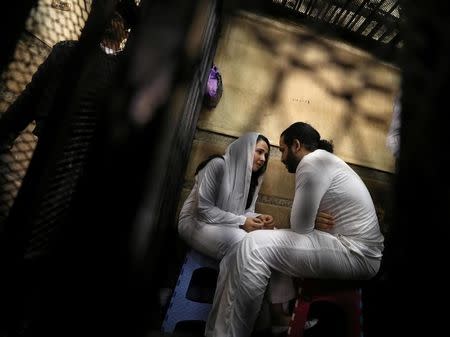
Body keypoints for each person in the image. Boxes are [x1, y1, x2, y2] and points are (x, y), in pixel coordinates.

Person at [205, 122, 384, 337]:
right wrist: (310, 219)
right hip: (348, 247)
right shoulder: (323, 162)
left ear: (296, 145)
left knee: (253, 246)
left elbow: (299, 227)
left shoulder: (312, 162)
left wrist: (308, 219)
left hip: (357, 253)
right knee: (251, 245)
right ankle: (231, 329)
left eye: (282, 150)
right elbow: (302, 225)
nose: (280, 158)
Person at [0, 0, 138, 150]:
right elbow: (31, 97)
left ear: (125, 34)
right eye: (108, 15)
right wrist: (6, 133)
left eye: (117, 18)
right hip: (52, 135)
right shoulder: (65, 51)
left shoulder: (120, 74)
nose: (110, 21)